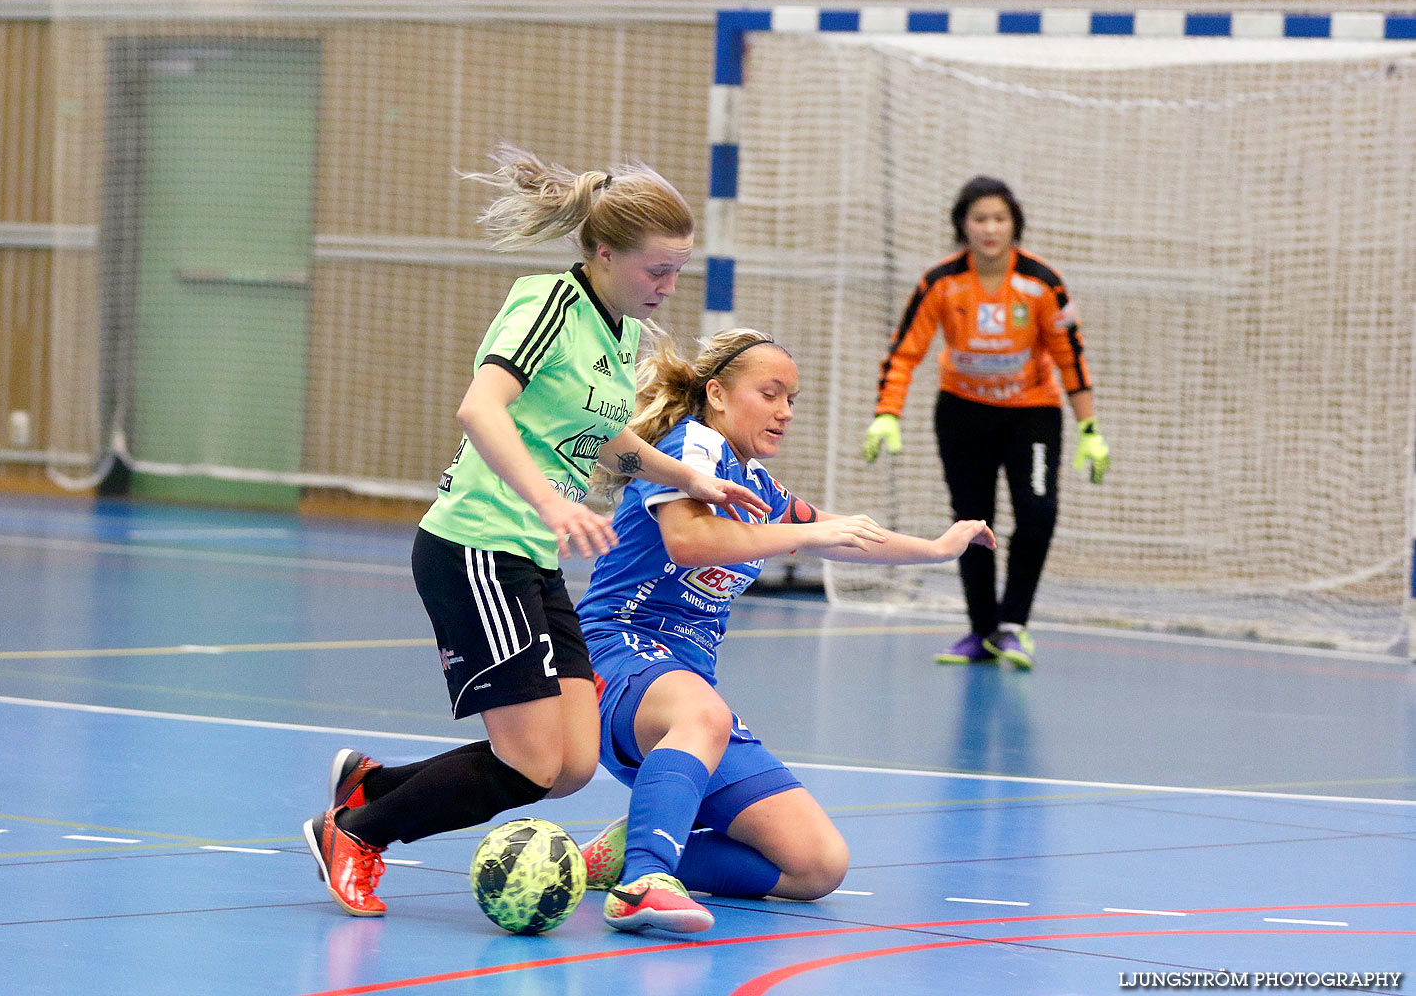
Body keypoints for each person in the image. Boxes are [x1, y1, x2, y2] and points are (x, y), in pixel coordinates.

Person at [302, 146, 771, 917]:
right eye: (657, 270)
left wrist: (682, 474)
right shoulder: (546, 305)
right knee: (528, 763)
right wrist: (552, 504)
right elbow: (480, 409)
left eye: (677, 271)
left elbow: (604, 435)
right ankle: (357, 831)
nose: (668, 286)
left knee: (573, 762)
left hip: (529, 557)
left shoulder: (619, 334)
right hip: (477, 546)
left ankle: (373, 785)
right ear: (604, 252)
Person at [571, 326, 995, 934]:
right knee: (706, 715)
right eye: (771, 394)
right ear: (717, 394)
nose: (785, 411)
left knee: (816, 866)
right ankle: (644, 879)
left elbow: (844, 534)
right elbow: (688, 540)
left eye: (792, 399)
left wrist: (935, 548)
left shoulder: (759, 487)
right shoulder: (691, 446)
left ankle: (621, 853)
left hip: (686, 689)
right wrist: (805, 535)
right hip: (617, 654)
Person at [861, 175, 1110, 670]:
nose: (991, 228)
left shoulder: (1041, 282)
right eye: (980, 219)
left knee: (1037, 516)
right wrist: (887, 414)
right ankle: (980, 629)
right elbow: (905, 351)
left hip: (1032, 415)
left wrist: (1089, 428)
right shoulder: (940, 282)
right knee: (972, 521)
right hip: (963, 414)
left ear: (1014, 223)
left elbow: (1070, 356)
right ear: (963, 226)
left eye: (1000, 218)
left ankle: (1013, 627)